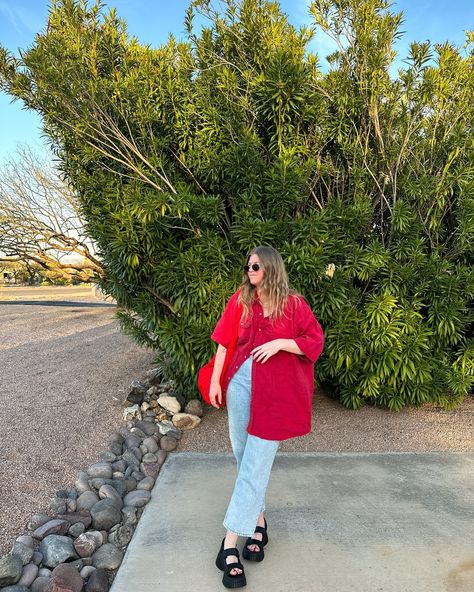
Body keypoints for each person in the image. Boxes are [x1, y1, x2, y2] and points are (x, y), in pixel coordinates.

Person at [208, 245, 324, 588]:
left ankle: (228, 546)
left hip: (275, 393)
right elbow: (224, 342)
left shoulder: (294, 304)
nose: (249, 271)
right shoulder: (240, 300)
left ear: (271, 267)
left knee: (255, 464)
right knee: (246, 461)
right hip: (240, 384)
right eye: (247, 266)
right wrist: (216, 380)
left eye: (255, 266)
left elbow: (314, 341)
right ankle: (258, 524)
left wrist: (281, 343)